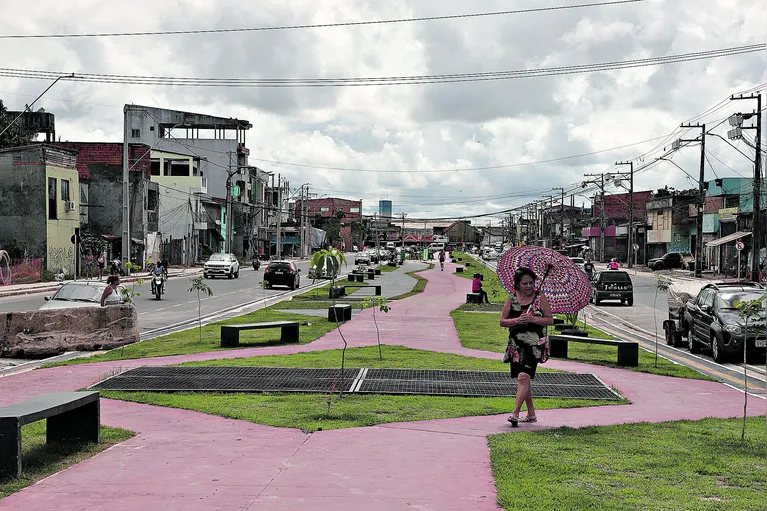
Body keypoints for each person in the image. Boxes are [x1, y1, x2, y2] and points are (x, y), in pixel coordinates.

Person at [500, 267, 553, 427]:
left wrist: (533, 319)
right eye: (525, 283)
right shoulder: (512, 298)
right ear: (518, 284)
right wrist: (517, 320)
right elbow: (503, 321)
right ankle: (531, 413)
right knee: (524, 378)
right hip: (516, 344)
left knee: (524, 377)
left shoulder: (539, 297)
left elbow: (550, 319)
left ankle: (515, 414)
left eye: (531, 282)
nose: (529, 286)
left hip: (535, 345)